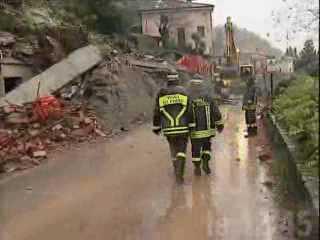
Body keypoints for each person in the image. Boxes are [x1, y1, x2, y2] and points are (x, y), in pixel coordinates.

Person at [152, 72, 194, 184]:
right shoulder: (184, 92)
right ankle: (180, 174)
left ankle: (176, 169)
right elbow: (190, 110)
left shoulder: (161, 93)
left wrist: (156, 127)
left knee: (173, 148)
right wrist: (192, 125)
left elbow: (157, 111)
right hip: (183, 128)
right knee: (181, 150)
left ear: (168, 81)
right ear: (177, 80)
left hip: (168, 129)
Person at [188, 75, 224, 176]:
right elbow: (215, 111)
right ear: (202, 84)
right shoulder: (208, 96)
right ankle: (206, 163)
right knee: (206, 148)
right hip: (208, 130)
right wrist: (220, 125)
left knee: (195, 149)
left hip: (194, 130)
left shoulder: (188, 97)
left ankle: (197, 167)